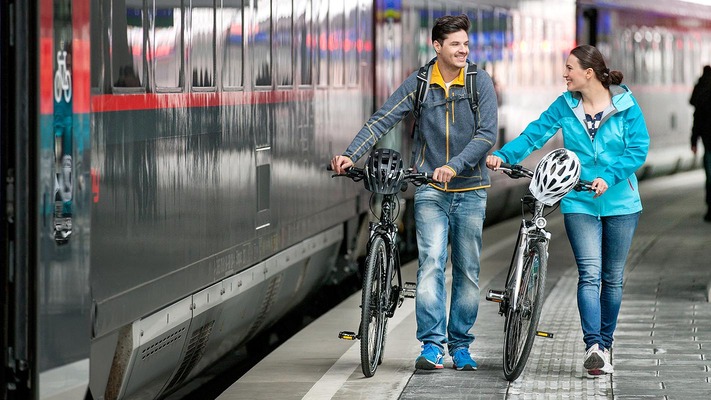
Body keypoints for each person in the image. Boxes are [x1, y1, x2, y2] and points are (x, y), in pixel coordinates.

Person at [330, 14, 497, 371]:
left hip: (471, 189)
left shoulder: (479, 81)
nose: (463, 50)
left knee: (467, 271)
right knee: (431, 266)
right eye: (455, 44)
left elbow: (486, 135)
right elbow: (382, 118)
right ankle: (432, 346)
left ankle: (461, 345)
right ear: (437, 47)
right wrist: (350, 154)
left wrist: (455, 165)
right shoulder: (420, 82)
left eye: (465, 44)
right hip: (430, 188)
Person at [486, 44, 649, 375]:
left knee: (612, 278)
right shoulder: (565, 105)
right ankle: (593, 346)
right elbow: (535, 134)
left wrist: (609, 176)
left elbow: (638, 149)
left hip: (621, 201)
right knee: (589, 273)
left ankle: (605, 343)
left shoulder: (626, 106)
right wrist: (505, 155)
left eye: (570, 68)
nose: (565, 74)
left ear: (588, 73)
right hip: (578, 200)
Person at [690, 65, 711, 222]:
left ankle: (710, 209)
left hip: (708, 142)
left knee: (709, 177)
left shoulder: (702, 90)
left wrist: (694, 141)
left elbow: (697, 118)